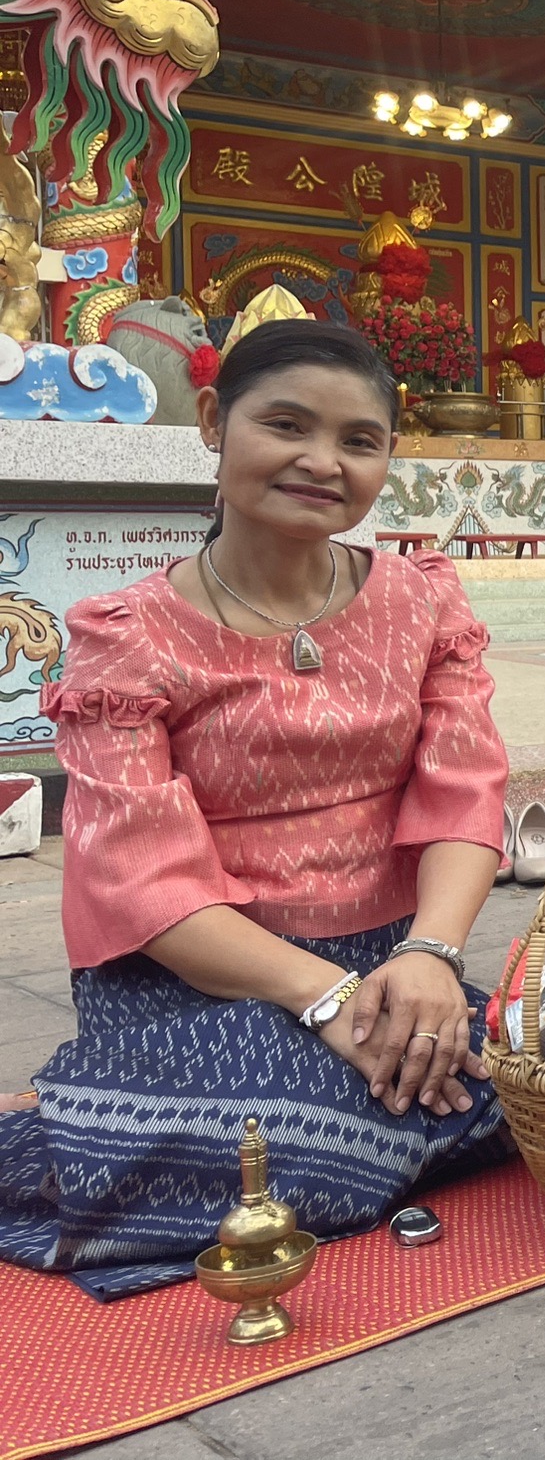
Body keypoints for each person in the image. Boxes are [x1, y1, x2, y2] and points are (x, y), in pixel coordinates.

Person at [0, 322, 511, 1300]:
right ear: (212, 421)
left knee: (520, 1076)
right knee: (293, 1144)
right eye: (286, 425)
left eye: (359, 441)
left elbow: (463, 789)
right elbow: (141, 878)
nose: (323, 461)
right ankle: (54, 1134)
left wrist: (432, 955)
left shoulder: (424, 604)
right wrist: (324, 1000)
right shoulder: (129, 637)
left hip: (392, 959)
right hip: (199, 977)